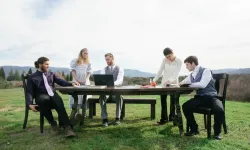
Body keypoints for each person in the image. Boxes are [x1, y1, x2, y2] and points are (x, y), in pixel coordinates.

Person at [26, 57, 79, 137]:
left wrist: (71, 83)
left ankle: (67, 128)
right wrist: (30, 104)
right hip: (41, 95)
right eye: (46, 64)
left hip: (52, 94)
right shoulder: (32, 77)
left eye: (48, 64)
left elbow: (60, 81)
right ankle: (53, 124)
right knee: (43, 101)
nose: (48, 66)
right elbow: (29, 91)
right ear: (40, 65)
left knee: (59, 102)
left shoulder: (51, 74)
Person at [180, 56, 224, 140]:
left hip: (211, 97)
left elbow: (202, 84)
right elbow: (182, 82)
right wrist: (173, 83)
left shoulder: (206, 71)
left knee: (219, 110)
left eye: (187, 64)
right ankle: (194, 129)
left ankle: (217, 133)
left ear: (193, 63)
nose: (186, 67)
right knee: (185, 106)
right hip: (200, 98)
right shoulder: (191, 75)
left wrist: (189, 84)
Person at [151, 47, 182, 125]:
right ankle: (164, 119)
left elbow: (176, 74)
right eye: (166, 57)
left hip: (174, 84)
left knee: (173, 102)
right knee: (163, 101)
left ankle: (172, 117)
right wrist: (154, 80)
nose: (168, 58)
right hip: (164, 84)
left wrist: (169, 81)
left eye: (169, 56)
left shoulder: (179, 61)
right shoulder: (164, 60)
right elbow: (160, 70)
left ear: (172, 53)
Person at [99, 53, 124, 127]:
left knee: (119, 98)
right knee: (101, 97)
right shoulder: (104, 69)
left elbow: (120, 80)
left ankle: (117, 118)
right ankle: (105, 119)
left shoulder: (119, 68)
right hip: (106, 92)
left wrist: (111, 84)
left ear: (112, 58)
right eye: (106, 60)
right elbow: (101, 80)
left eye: (108, 59)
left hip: (115, 92)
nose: (106, 61)